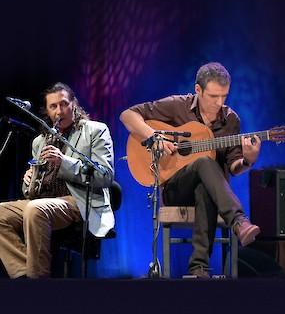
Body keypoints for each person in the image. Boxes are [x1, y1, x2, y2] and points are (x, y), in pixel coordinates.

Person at [120, 62, 261, 278]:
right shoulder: (177, 106)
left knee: (205, 186)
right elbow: (128, 115)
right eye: (213, 96)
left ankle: (199, 268)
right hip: (176, 189)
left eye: (224, 96)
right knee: (204, 161)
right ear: (198, 90)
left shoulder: (231, 120)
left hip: (212, 193)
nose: (219, 102)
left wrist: (248, 160)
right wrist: (153, 137)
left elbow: (233, 167)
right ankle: (239, 222)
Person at [0, 82, 114, 278]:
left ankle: (38, 281)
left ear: (73, 105)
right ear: (47, 111)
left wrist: (65, 162)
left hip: (77, 200)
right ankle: (25, 274)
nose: (59, 111)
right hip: (42, 200)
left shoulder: (96, 130)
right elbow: (32, 189)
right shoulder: (40, 141)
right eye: (53, 106)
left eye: (63, 104)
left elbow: (105, 176)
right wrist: (28, 180)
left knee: (35, 209)